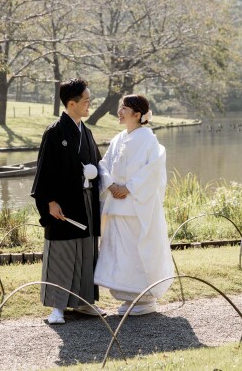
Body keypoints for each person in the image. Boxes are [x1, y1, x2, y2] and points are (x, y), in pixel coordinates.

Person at [30, 78, 105, 324]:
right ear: (71, 104)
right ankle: (57, 308)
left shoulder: (87, 132)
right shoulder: (54, 133)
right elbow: (44, 171)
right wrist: (49, 201)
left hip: (85, 201)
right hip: (62, 203)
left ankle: (84, 303)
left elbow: (98, 163)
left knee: (85, 252)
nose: (89, 105)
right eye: (86, 101)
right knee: (62, 253)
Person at [94, 94, 174, 315]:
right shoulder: (118, 138)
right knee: (119, 253)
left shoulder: (149, 139)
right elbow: (104, 164)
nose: (119, 111)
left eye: (124, 108)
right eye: (120, 107)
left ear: (137, 115)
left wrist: (128, 187)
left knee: (138, 252)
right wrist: (111, 185)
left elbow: (153, 170)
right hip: (117, 207)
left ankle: (145, 298)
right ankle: (128, 297)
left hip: (137, 207)